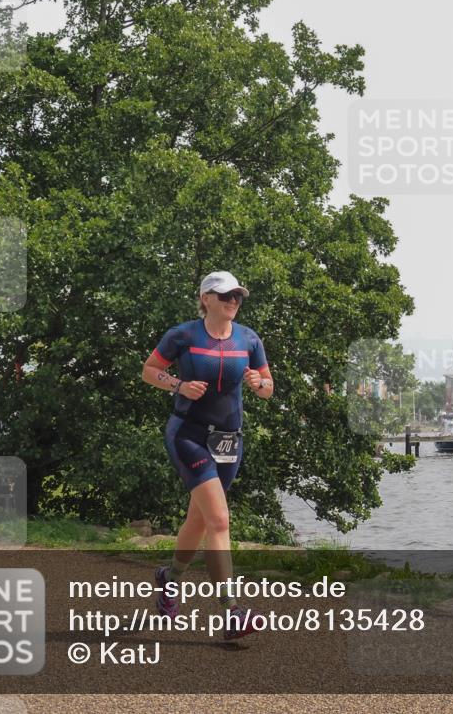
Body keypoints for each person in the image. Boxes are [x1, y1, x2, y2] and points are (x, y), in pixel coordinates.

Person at [141, 271, 273, 641]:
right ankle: (232, 611)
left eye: (238, 296)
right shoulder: (183, 335)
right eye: (226, 295)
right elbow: (149, 371)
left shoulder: (249, 339)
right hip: (189, 435)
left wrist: (259, 383)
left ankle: (169, 579)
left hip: (229, 440)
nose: (233, 301)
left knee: (199, 520)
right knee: (219, 519)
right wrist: (179, 385)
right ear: (206, 298)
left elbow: (268, 387)